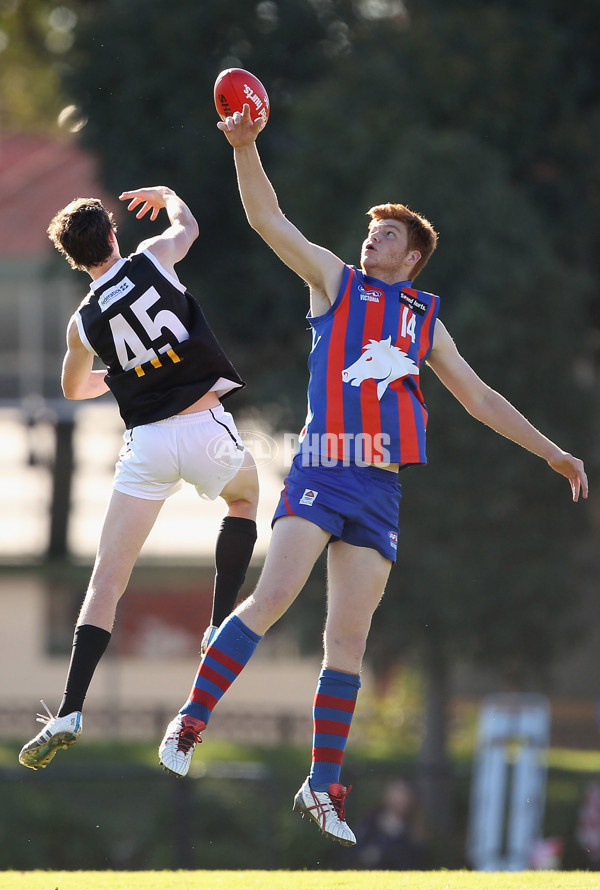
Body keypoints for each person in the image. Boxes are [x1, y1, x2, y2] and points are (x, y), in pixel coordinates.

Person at [157, 106, 588, 848]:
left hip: (381, 488)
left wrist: (552, 452)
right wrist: (246, 146)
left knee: (348, 642)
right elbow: (268, 220)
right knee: (274, 597)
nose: (373, 238)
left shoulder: (424, 320)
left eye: (388, 234)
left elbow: (480, 399)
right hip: (325, 463)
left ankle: (321, 786)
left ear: (413, 257)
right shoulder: (336, 281)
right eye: (373, 230)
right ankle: (191, 721)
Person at [19, 186, 258, 771]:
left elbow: (73, 388)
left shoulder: (82, 323)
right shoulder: (152, 258)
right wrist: (171, 196)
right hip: (202, 426)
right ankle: (217, 623)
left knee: (106, 580)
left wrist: (125, 373)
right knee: (244, 499)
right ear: (113, 234)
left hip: (146, 445)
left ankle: (70, 709)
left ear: (73, 258)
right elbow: (189, 227)